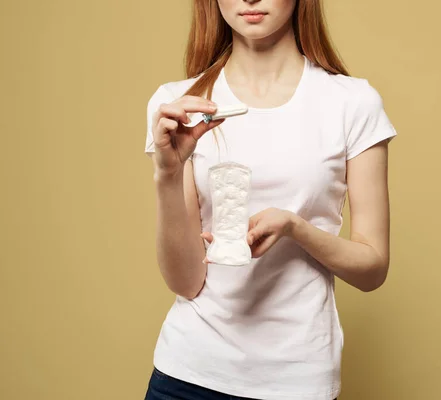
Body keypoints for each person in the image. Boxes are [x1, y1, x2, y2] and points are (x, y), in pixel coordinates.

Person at [143, 0, 396, 399]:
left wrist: (296, 228)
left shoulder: (352, 102)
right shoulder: (180, 105)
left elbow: (373, 269)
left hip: (297, 378)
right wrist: (169, 173)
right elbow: (186, 282)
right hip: (188, 374)